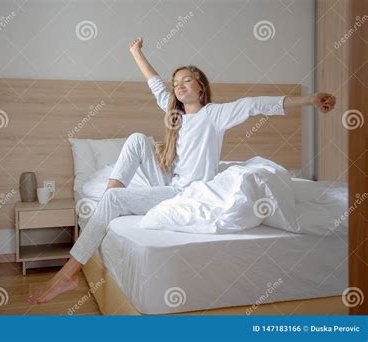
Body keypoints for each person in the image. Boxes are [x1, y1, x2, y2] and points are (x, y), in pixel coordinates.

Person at [28, 37, 336, 305]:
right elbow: (154, 83)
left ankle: (68, 273)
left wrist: (309, 99)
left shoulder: (214, 114)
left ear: (200, 86)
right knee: (136, 140)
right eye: (176, 83)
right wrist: (136, 52)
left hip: (186, 190)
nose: (178, 85)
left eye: (186, 80)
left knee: (114, 200)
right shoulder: (174, 115)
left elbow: (255, 104)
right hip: (168, 179)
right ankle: (109, 204)